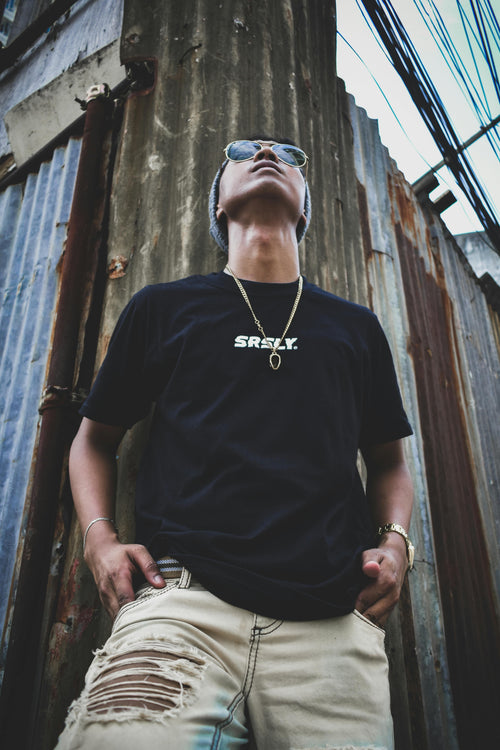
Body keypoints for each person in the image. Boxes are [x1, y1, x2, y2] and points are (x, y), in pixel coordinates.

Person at [56, 136, 414, 750]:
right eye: (244, 151)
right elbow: (93, 441)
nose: (268, 152)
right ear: (219, 206)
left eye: (289, 155)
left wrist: (397, 542)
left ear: (304, 209)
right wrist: (99, 539)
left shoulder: (355, 327)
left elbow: (389, 461)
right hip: (180, 607)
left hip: (331, 625)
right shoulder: (164, 309)